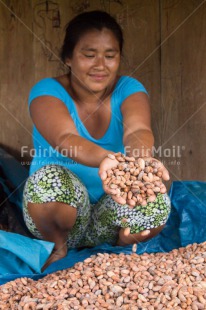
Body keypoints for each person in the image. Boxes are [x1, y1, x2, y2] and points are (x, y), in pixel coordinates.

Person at [23, 10, 170, 269]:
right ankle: (58, 248)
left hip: (109, 216)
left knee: (157, 201)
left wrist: (141, 161)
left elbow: (138, 130)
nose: (100, 65)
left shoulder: (129, 89)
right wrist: (107, 158)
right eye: (89, 55)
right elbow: (65, 137)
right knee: (49, 182)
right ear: (68, 58)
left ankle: (121, 245)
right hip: (58, 219)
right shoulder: (47, 91)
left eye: (110, 56)